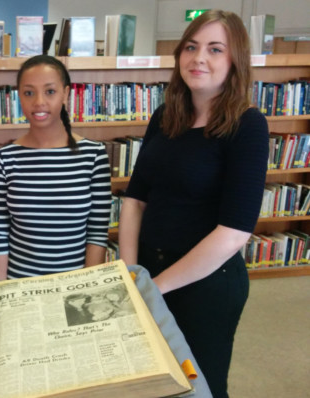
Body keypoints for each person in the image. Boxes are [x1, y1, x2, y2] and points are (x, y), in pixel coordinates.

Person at [118, 10, 269, 398]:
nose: (199, 58)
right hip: (148, 271)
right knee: (150, 381)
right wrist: (133, 273)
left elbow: (234, 233)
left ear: (234, 61)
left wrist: (155, 289)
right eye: (191, 46)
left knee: (199, 386)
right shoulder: (165, 117)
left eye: (215, 49)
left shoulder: (247, 125)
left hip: (206, 286)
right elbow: (135, 200)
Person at [0, 55, 111, 280]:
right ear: (19, 97)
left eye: (50, 91)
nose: (39, 102)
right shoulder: (4, 159)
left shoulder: (93, 155)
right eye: (29, 92)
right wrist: (0, 294)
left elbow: (97, 235)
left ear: (66, 93)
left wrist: (87, 289)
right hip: (19, 288)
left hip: (73, 290)